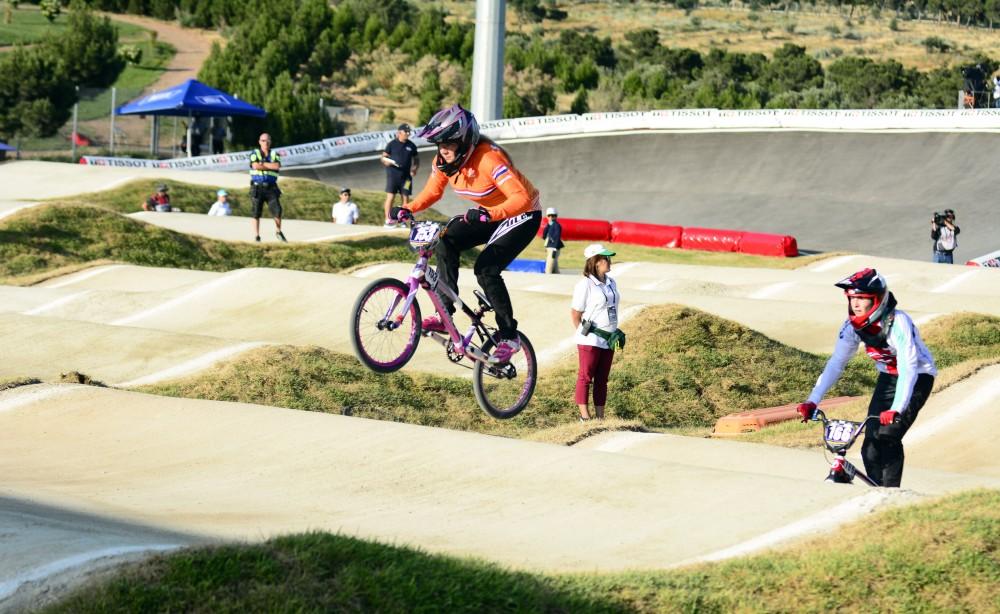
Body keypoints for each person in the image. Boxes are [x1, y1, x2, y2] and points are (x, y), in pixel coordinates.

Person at [393, 104, 541, 364]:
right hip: (489, 214)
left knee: (486, 268)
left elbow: (522, 197)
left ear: (465, 141)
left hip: (522, 215)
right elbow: (433, 192)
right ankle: (445, 314)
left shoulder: (488, 159)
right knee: (445, 240)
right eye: (439, 144)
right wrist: (408, 208)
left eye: (449, 143)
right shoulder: (443, 163)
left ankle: (509, 336)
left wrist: (490, 215)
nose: (443, 149)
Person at [797, 268, 936, 488]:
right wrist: (812, 400)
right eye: (852, 298)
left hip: (918, 377)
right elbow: (836, 363)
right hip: (888, 377)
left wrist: (897, 408)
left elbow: (908, 368)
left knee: (888, 436)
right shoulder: (850, 327)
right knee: (869, 445)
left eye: (862, 298)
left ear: (878, 300)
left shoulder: (897, 322)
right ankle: (875, 490)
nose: (856, 304)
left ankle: (891, 494)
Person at [571, 244, 623, 422]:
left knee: (602, 379)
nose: (608, 262)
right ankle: (585, 416)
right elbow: (576, 314)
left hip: (609, 338)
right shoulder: (585, 284)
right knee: (585, 376)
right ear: (594, 262)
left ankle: (600, 417)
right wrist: (583, 334)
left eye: (608, 258)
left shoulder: (611, 282)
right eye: (604, 259)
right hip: (591, 339)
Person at [249, 132, 286, 242]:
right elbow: (255, 166)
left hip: (271, 188)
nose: (266, 142)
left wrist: (262, 165)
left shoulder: (274, 154)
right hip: (257, 187)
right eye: (263, 140)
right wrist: (269, 166)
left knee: (277, 210)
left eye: (268, 140)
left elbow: (277, 166)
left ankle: (278, 231)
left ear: (271, 142)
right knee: (256, 213)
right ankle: (257, 236)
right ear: (259, 142)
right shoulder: (255, 153)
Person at [381, 123, 419, 227]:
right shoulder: (392, 144)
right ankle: (388, 220)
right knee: (391, 197)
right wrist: (386, 162)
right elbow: (383, 157)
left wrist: (414, 168)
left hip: (406, 178)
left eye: (409, 132)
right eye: (405, 132)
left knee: (405, 198)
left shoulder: (411, 145)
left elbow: (416, 159)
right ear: (399, 133)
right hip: (393, 176)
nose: (407, 134)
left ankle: (403, 221)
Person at [542, 207, 564, 274]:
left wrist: (554, 248)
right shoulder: (549, 225)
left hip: (554, 247)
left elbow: (557, 237)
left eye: (553, 216)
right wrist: (548, 225)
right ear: (547, 216)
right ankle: (557, 274)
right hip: (549, 246)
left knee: (549, 263)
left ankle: (548, 274)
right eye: (549, 216)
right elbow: (544, 236)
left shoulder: (557, 226)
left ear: (556, 216)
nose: (551, 217)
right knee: (554, 263)